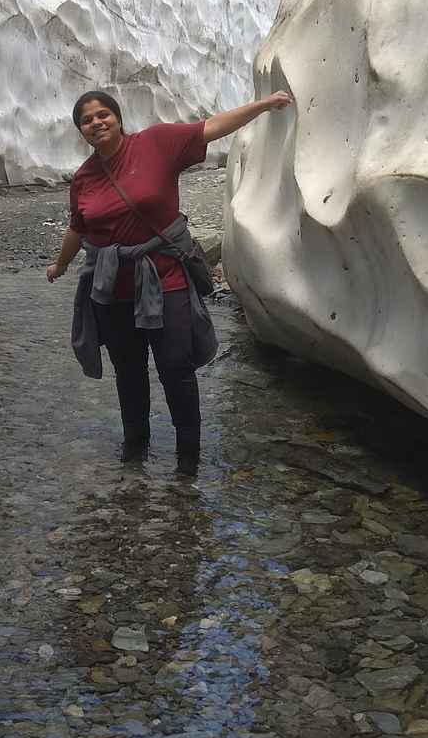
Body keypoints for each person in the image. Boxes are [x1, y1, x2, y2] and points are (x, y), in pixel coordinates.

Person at [47, 87, 293, 472]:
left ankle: (187, 458)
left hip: (166, 279)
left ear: (118, 117)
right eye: (87, 120)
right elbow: (77, 228)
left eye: (102, 114)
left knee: (175, 367)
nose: (96, 123)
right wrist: (59, 265)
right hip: (112, 291)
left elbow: (210, 128)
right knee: (128, 373)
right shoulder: (84, 178)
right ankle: (135, 449)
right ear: (81, 132)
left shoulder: (156, 143)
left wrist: (263, 105)